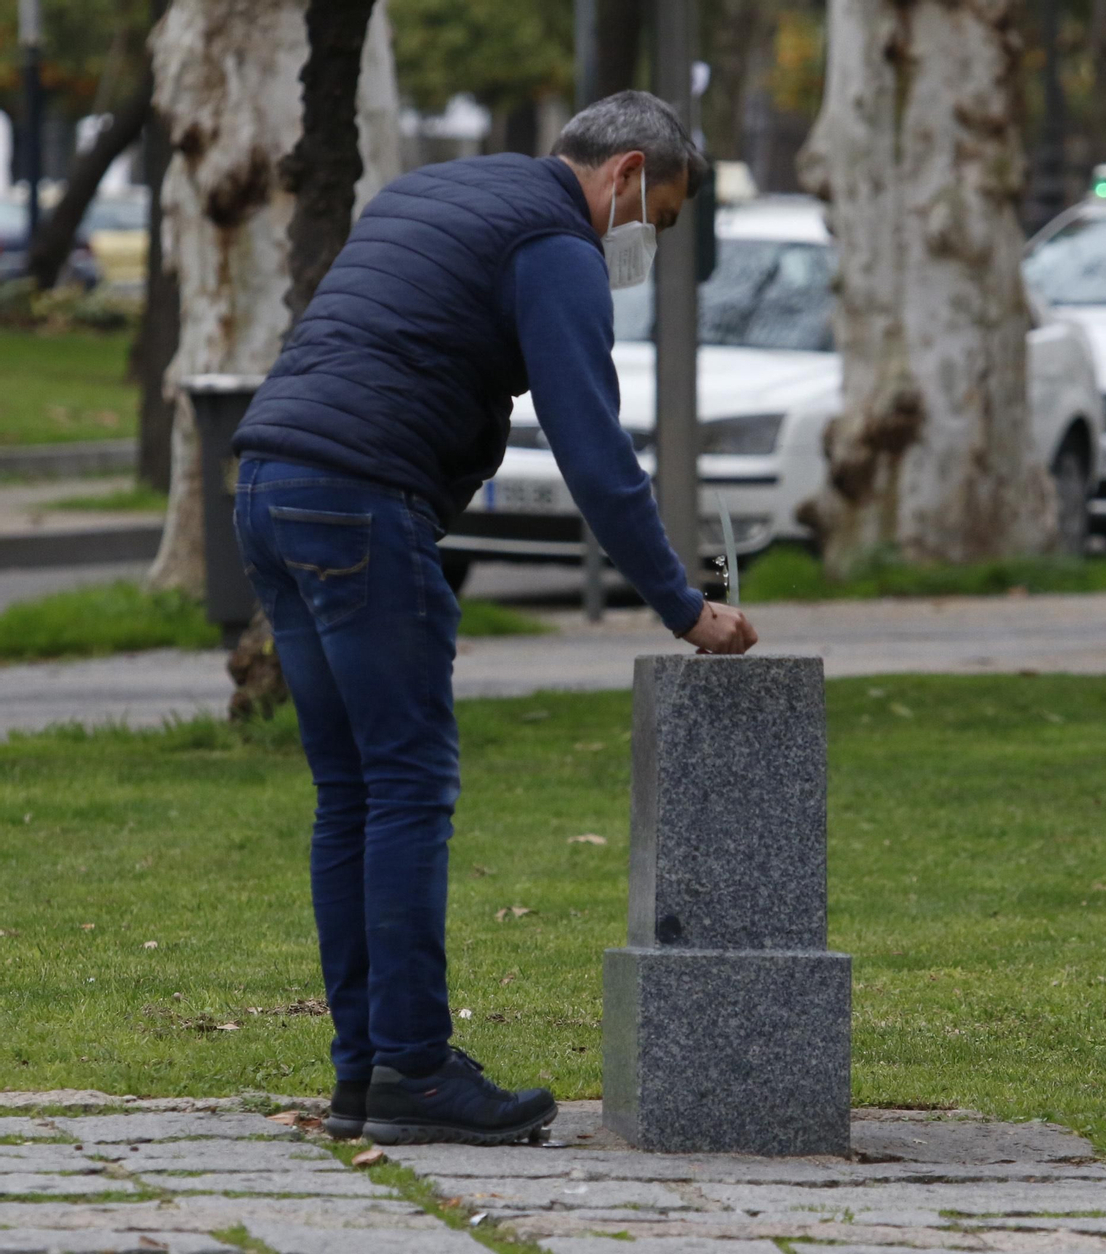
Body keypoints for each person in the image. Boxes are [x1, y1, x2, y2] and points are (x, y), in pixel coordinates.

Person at [229, 91, 758, 1147]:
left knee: (353, 794)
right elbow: (592, 449)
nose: (647, 242)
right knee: (407, 787)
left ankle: (365, 1074)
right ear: (626, 176)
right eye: (659, 218)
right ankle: (415, 1071)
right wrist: (683, 607)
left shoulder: (435, 190)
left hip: (267, 486)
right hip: (360, 502)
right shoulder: (555, 245)